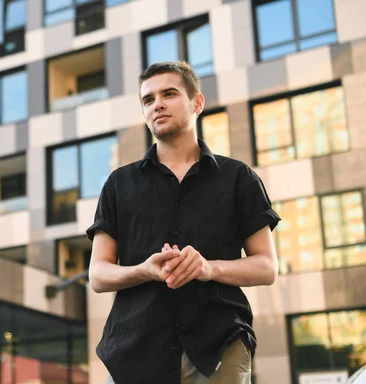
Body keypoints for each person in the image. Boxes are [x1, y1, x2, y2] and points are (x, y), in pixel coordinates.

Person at [85, 61, 281, 384]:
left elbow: (267, 267)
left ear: (197, 103)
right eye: (148, 99)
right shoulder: (118, 184)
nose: (157, 104)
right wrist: (144, 270)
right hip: (135, 351)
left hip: (219, 347)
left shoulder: (239, 179)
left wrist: (209, 268)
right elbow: (98, 274)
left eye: (169, 93)